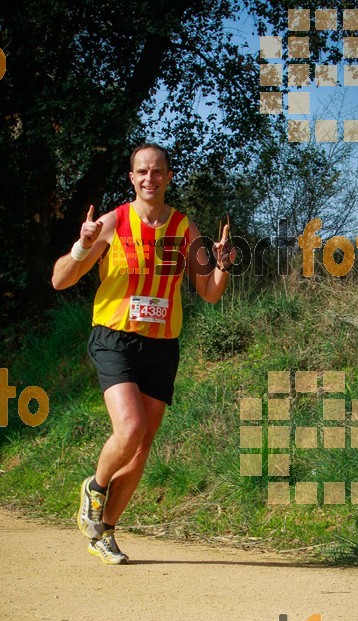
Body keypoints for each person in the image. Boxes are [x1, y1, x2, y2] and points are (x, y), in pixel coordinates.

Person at [52, 143, 234, 564]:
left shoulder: (185, 229)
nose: (149, 179)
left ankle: (104, 532)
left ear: (168, 177)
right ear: (131, 178)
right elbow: (60, 280)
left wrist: (222, 265)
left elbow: (208, 293)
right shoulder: (113, 223)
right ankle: (94, 488)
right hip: (114, 338)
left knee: (141, 447)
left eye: (157, 172)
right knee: (130, 428)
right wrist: (82, 246)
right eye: (141, 172)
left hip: (162, 346)